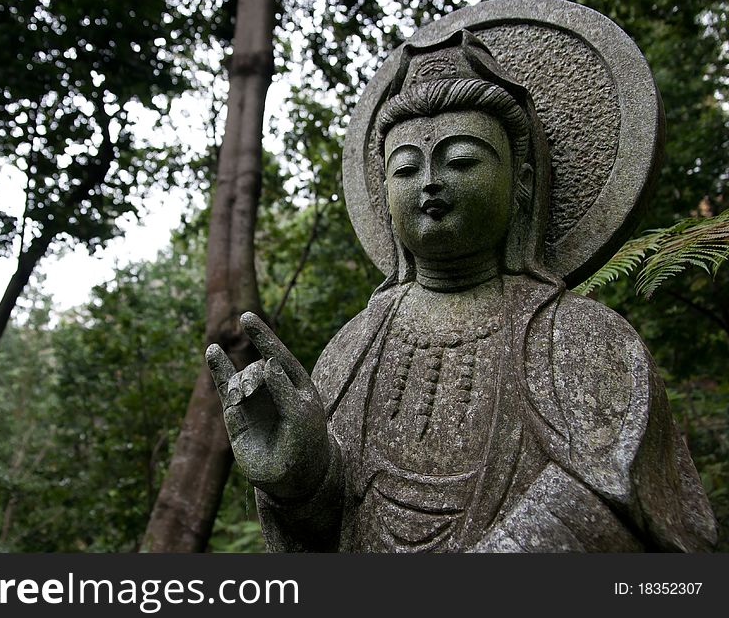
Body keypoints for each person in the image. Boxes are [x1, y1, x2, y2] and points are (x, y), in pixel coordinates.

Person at [205, 30, 716, 552]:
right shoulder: (350, 351)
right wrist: (302, 483)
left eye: (463, 160)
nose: (429, 182)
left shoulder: (580, 338)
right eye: (405, 168)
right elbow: (328, 533)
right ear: (382, 194)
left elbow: (628, 506)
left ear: (521, 181)